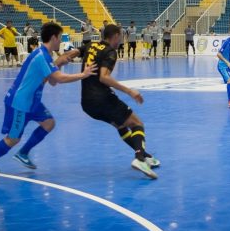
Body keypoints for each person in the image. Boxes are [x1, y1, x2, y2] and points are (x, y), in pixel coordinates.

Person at [0, 23, 96, 174]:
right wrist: (83, 75)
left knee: (49, 123)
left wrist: (59, 63)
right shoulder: (41, 56)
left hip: (32, 101)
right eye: (60, 38)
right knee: (13, 139)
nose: (61, 41)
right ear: (54, 37)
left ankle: (23, 153)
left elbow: (51, 81)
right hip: (20, 102)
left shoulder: (46, 55)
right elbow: (58, 79)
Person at [67, 24, 161, 179]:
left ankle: (144, 155)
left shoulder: (90, 45)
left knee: (121, 125)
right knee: (137, 123)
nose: (121, 39)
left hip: (87, 104)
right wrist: (130, 91)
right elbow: (104, 77)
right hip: (102, 99)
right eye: (121, 36)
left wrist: (58, 63)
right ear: (116, 36)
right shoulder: (110, 51)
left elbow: (70, 54)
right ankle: (139, 159)